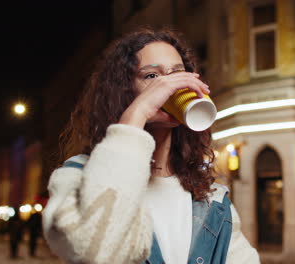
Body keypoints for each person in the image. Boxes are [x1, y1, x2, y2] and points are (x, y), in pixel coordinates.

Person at [43, 27, 260, 264]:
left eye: (178, 73)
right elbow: (93, 250)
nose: (169, 86)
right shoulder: (77, 175)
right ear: (124, 91)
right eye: (151, 76)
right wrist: (137, 114)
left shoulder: (212, 198)